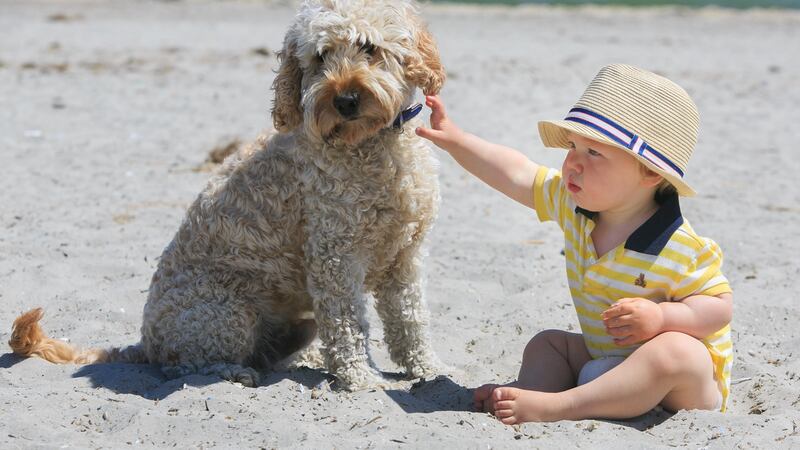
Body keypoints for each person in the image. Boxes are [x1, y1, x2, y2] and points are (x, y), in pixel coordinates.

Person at [415, 64, 733, 424]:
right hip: (606, 359)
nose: (573, 164)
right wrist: (456, 138)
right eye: (572, 146)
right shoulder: (575, 206)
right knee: (549, 344)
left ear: (649, 172)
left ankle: (561, 407)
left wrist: (662, 317)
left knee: (676, 352)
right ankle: (528, 392)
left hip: (679, 388)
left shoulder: (679, 245)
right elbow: (516, 173)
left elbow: (718, 308)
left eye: (594, 153)